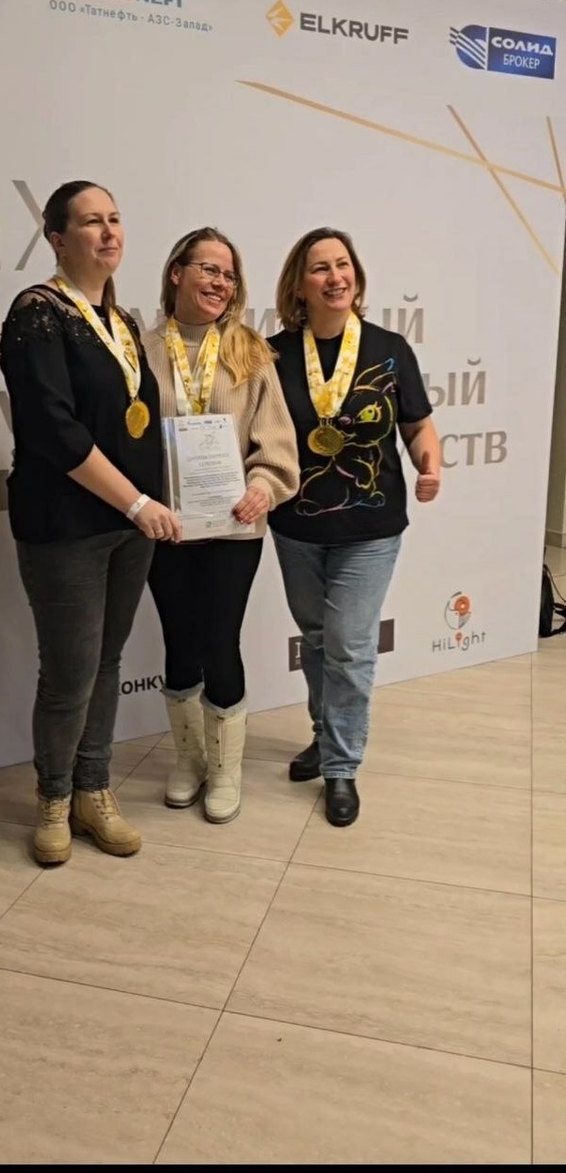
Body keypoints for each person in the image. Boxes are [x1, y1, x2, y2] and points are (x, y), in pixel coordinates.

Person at [0, 179, 180, 866]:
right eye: (91, 222)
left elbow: (136, 423)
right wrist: (136, 502)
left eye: (115, 219)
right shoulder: (37, 313)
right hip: (66, 525)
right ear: (56, 238)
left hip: (129, 527)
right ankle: (52, 798)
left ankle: (93, 790)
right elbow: (54, 428)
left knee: (106, 662)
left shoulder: (123, 321)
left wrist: (152, 502)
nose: (109, 232)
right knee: (70, 671)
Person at [268, 226, 441, 827]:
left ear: (356, 277)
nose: (335, 276)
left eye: (343, 265)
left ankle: (341, 766)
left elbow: (417, 424)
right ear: (299, 285)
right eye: (320, 268)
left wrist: (430, 463)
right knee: (318, 638)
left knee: (348, 643)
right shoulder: (272, 355)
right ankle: (325, 736)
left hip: (372, 527)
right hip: (295, 524)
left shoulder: (390, 348)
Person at [142, 227, 299, 824]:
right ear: (176, 273)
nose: (220, 283)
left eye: (229, 275)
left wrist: (263, 486)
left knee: (220, 642)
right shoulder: (140, 349)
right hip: (166, 528)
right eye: (208, 269)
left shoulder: (249, 351)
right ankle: (189, 761)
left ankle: (226, 769)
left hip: (234, 528)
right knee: (179, 642)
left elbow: (275, 439)